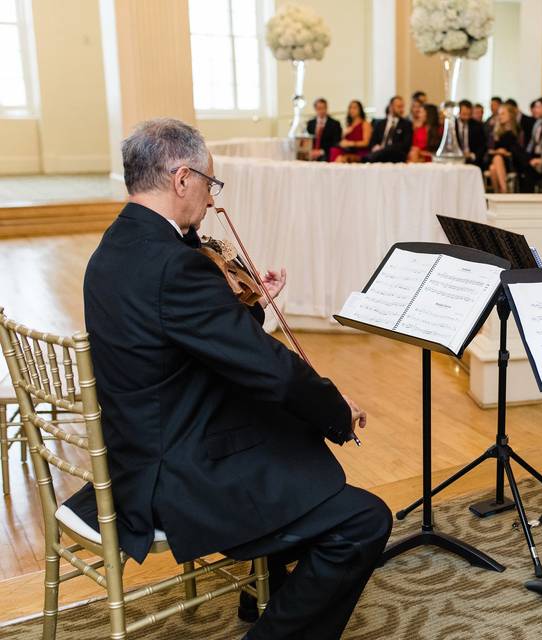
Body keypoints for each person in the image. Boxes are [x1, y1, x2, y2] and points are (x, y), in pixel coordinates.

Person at [64, 118, 392, 640]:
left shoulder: (115, 246)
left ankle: (268, 583)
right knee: (364, 520)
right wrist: (335, 409)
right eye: (209, 185)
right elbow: (271, 372)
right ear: (182, 179)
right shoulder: (177, 266)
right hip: (172, 466)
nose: (212, 202)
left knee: (288, 438)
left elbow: (192, 339)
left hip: (135, 443)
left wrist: (248, 305)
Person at [484, 103, 525, 193]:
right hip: (496, 159)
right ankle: (503, 191)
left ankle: (501, 192)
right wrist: (498, 151)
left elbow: (520, 151)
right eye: (499, 114)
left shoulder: (518, 131)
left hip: (511, 160)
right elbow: (489, 150)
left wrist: (506, 153)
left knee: (493, 167)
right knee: (495, 163)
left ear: (510, 115)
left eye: (503, 114)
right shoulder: (495, 132)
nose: (500, 116)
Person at [365, 96, 413, 163]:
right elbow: (372, 141)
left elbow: (405, 144)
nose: (401, 109)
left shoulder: (406, 124)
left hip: (396, 155)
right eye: (399, 107)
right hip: (378, 154)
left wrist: (385, 148)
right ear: (391, 107)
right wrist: (375, 147)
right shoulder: (379, 124)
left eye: (402, 107)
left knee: (375, 156)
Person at [455, 98, 487, 167]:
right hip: (456, 158)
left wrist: (472, 155)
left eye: (469, 114)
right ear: (458, 112)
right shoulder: (452, 125)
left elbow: (482, 145)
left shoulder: (477, 126)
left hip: (473, 159)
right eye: (464, 114)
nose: (466, 117)